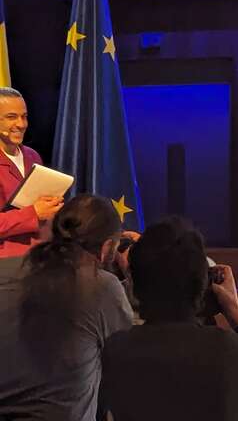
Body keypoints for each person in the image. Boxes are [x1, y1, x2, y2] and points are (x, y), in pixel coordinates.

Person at [101, 217, 238, 421]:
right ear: (202, 284)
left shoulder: (117, 352)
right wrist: (236, 315)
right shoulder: (236, 352)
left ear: (136, 286)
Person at [0, 194, 134, 421]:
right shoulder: (100, 286)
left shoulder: (5, 270)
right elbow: (125, 361)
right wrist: (133, 274)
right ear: (107, 247)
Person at [0, 87, 63, 260]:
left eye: (24, 116)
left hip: (42, 256)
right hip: (8, 265)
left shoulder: (32, 155)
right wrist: (34, 213)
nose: (21, 124)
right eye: (11, 117)